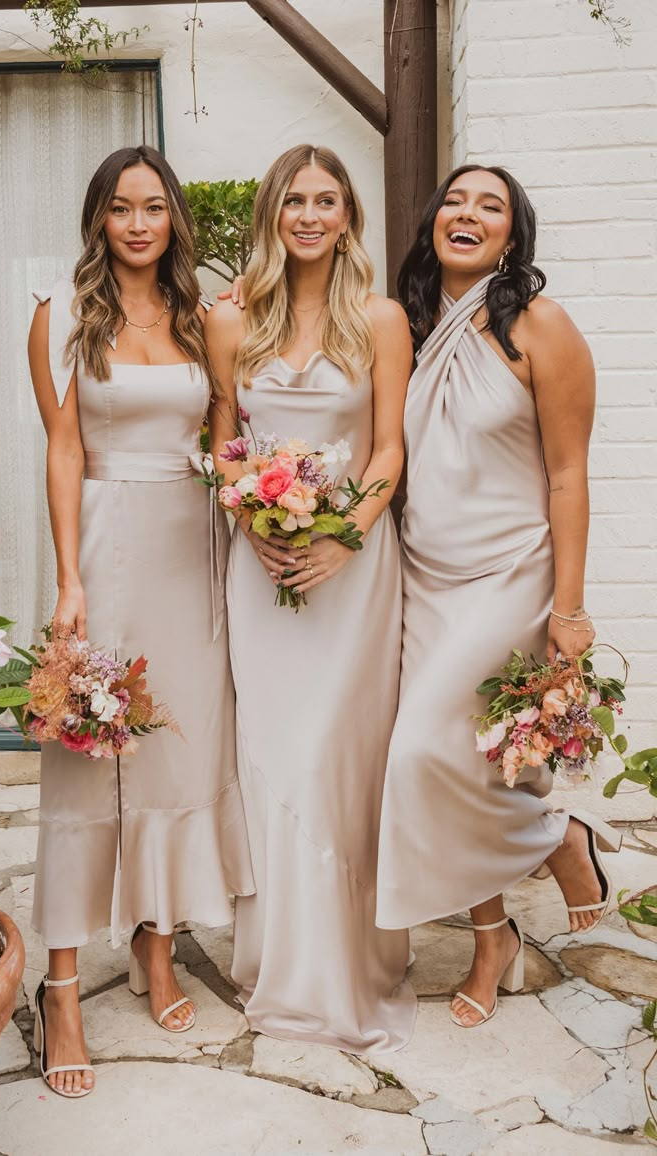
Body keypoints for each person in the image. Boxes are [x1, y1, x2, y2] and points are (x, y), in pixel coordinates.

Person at [29, 145, 254, 1097]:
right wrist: (69, 580)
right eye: (120, 208)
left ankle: (158, 946)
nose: (137, 223)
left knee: (181, 753)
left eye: (153, 207)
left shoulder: (206, 319)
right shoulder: (58, 318)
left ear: (173, 221)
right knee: (89, 763)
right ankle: (62, 986)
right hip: (110, 547)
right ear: (98, 218)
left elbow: (226, 439)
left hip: (195, 553)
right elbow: (64, 452)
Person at [375, 164, 621, 1029]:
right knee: (452, 767)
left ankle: (558, 838)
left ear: (513, 237)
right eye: (454, 199)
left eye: (492, 206)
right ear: (432, 220)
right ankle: (494, 937)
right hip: (421, 574)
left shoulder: (540, 327)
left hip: (510, 574)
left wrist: (570, 606)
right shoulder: (402, 325)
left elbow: (567, 475)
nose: (468, 213)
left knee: (419, 757)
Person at [206, 144, 415, 1054]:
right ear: (272, 214)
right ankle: (280, 958)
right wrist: (249, 518)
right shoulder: (230, 319)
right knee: (272, 758)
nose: (310, 215)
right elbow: (223, 443)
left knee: (337, 755)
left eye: (327, 200)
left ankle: (348, 964)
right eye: (294, 199)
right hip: (260, 571)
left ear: (347, 217)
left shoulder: (380, 318)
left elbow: (388, 453)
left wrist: (345, 536)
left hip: (353, 570)